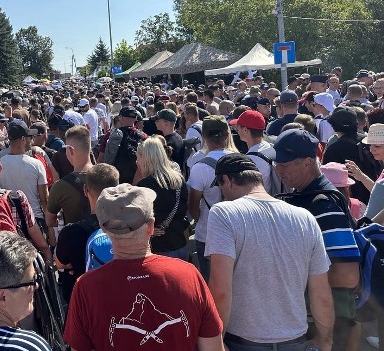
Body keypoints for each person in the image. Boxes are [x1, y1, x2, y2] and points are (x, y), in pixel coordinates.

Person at [64, 183, 224, 351]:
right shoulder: (189, 275)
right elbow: (213, 347)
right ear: (151, 226)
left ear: (103, 229)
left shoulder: (86, 287)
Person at [206, 154, 334, 351]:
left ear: (226, 181)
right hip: (295, 339)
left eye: (221, 187)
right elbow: (321, 293)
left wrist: (215, 343)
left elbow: (220, 290)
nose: (222, 193)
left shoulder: (223, 213)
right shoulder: (305, 218)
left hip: (242, 341)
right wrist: (325, 340)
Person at [274, 129, 360, 350]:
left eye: (284, 163)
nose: (278, 169)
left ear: (306, 162)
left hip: (326, 325)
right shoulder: (307, 197)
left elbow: (347, 275)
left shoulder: (323, 204)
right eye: (277, 163)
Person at [55, 163, 119, 302]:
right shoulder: (129, 228)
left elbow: (60, 264)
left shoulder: (71, 232)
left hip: (84, 301)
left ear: (85, 190)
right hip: (119, 297)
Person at [187, 116, 235, 281]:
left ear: (204, 137)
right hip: (237, 228)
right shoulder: (241, 160)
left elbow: (193, 206)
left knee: (211, 282)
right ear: (227, 135)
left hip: (208, 233)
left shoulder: (199, 167)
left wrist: (203, 220)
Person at [136, 135, 189, 259]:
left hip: (159, 248)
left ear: (145, 158)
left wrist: (147, 230)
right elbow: (183, 210)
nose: (137, 161)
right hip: (180, 243)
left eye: (138, 157)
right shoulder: (178, 179)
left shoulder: (145, 185)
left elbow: (139, 221)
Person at [0, 120, 49, 232]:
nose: (31, 140)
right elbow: (44, 200)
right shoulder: (36, 164)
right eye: (30, 137)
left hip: (10, 222)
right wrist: (50, 229)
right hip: (35, 221)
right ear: (23, 139)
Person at [45, 125, 92, 237]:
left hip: (75, 244)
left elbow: (50, 221)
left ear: (70, 150)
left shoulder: (60, 186)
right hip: (104, 245)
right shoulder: (108, 177)